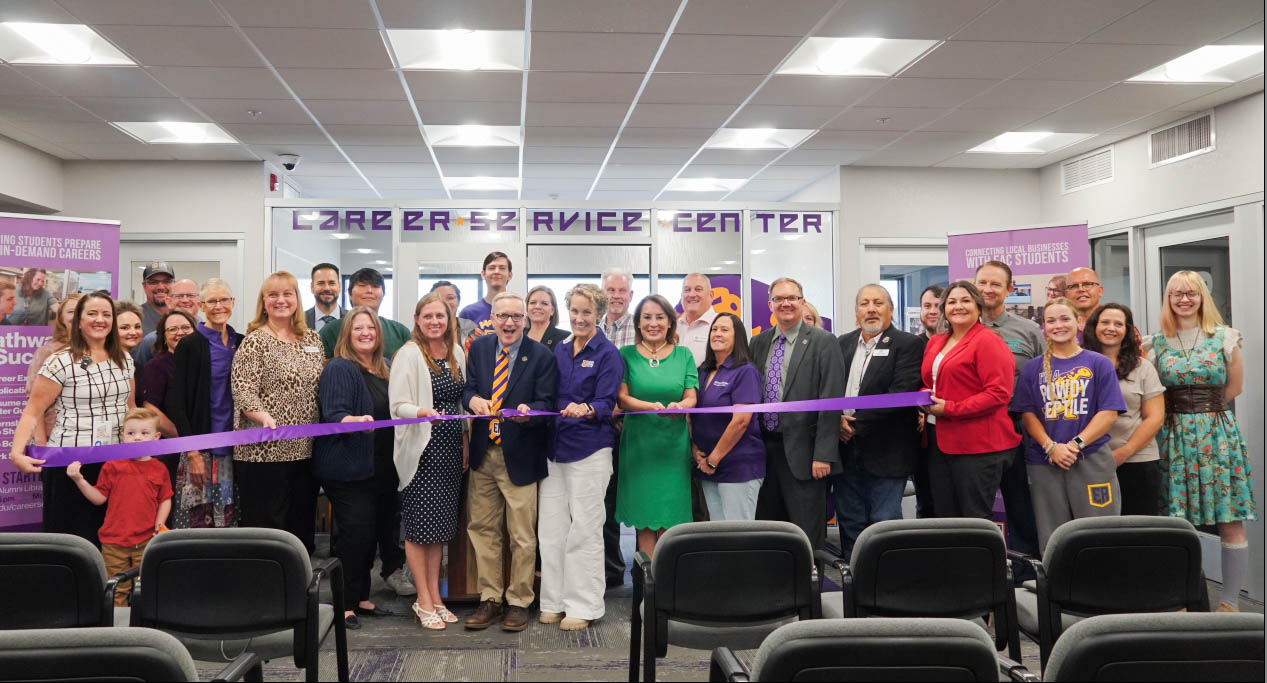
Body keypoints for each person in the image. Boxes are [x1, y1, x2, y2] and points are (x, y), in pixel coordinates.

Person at [1145, 270, 1257, 612]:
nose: (1183, 299)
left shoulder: (1225, 337)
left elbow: (1234, 388)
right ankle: (1180, 599)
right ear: (1168, 299)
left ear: (1202, 297)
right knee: (1177, 520)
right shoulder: (1155, 343)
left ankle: (1229, 602)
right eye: (1176, 293)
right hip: (1173, 435)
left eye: (1190, 293)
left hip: (1216, 436)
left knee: (1229, 517)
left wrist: (1203, 414)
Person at [9, 291, 136, 546]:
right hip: (71, 464)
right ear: (78, 321)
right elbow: (33, 411)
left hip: (114, 464)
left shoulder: (124, 359)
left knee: (110, 541)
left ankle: (108, 588)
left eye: (106, 314)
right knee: (71, 543)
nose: (100, 319)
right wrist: (16, 452)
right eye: (92, 313)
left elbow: (130, 407)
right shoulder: (61, 361)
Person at [463, 292, 557, 632]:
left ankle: (519, 601)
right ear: (492, 318)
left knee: (521, 535)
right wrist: (473, 399)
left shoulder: (542, 356)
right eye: (503, 316)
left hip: (520, 456)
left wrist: (529, 415)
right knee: (483, 530)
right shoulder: (480, 349)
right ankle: (490, 599)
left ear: (526, 320)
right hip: (483, 454)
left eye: (516, 316)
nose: (509, 323)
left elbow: (547, 402)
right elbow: (468, 388)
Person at [540, 284, 623, 631]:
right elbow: (545, 393)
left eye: (587, 312)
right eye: (574, 311)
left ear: (600, 314)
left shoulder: (607, 353)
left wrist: (587, 408)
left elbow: (607, 403)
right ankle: (553, 601)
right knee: (551, 530)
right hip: (554, 450)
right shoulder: (557, 349)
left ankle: (585, 606)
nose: (579, 318)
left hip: (589, 450)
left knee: (585, 531)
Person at [1016, 297, 1125, 553]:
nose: (1058, 325)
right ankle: (1057, 590)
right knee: (1052, 535)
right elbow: (1028, 415)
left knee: (1099, 531)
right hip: (1045, 461)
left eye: (1065, 318)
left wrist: (1075, 445)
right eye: (1050, 321)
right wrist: (1051, 447)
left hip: (1091, 459)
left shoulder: (1099, 363)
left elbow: (1108, 413)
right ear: (1043, 327)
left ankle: (1098, 590)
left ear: (1079, 322)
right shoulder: (1032, 369)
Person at [230, 271, 324, 553]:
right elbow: (243, 390)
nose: (281, 300)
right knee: (268, 532)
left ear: (297, 299)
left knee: (300, 529)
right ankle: (265, 591)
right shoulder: (255, 341)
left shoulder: (313, 340)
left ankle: (297, 591)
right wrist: (263, 417)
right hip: (263, 452)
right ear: (264, 301)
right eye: (273, 295)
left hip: (305, 450)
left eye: (287, 294)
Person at [390, 291, 467, 631]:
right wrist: (422, 412)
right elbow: (397, 406)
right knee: (419, 530)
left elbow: (462, 406)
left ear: (450, 321)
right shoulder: (408, 354)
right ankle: (422, 600)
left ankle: (436, 595)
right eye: (429, 316)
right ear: (418, 321)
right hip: (422, 450)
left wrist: (464, 441)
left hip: (450, 450)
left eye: (441, 316)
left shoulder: (456, 353)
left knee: (439, 531)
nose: (435, 322)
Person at [314, 306, 395, 629]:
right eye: (358, 328)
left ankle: (361, 596)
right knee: (354, 535)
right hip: (347, 469)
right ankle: (343, 603)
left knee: (372, 533)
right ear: (347, 333)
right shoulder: (340, 368)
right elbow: (334, 413)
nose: (365, 333)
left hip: (379, 467)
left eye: (371, 328)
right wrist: (354, 422)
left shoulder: (384, 369)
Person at [750, 278, 845, 550]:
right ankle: (776, 587)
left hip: (806, 455)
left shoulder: (823, 342)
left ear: (802, 302)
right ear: (770, 305)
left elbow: (831, 400)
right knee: (770, 530)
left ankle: (807, 589)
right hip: (765, 451)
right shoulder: (758, 342)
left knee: (806, 534)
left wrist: (824, 454)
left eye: (792, 298)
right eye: (779, 299)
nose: (786, 303)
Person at [832, 285, 925, 555]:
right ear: (856, 311)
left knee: (883, 525)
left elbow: (900, 394)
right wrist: (837, 420)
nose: (871, 309)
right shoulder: (843, 343)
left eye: (878, 303)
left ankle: (885, 588)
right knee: (850, 523)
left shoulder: (908, 344)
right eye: (864, 303)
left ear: (890, 310)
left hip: (887, 453)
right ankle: (853, 586)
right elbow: (831, 390)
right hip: (845, 451)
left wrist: (854, 423)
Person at [920, 281, 1019, 521]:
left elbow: (998, 393)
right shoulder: (936, 342)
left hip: (978, 447)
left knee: (973, 520)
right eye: (952, 302)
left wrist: (950, 408)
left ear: (978, 306)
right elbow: (931, 381)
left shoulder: (988, 341)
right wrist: (924, 396)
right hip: (939, 442)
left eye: (965, 301)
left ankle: (980, 561)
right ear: (944, 309)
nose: (958, 307)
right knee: (946, 519)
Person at [616, 294, 698, 557]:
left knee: (670, 521)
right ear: (638, 324)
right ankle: (648, 592)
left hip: (673, 446)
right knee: (644, 520)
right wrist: (649, 406)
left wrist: (680, 407)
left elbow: (691, 397)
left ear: (670, 322)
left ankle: (668, 588)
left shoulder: (684, 355)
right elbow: (622, 397)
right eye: (647, 317)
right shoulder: (625, 354)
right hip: (639, 445)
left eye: (660, 317)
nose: (653, 323)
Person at [66, 408, 172, 605]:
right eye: (131, 433)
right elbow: (99, 498)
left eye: (144, 433)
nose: (137, 438)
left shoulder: (160, 468)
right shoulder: (112, 466)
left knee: (147, 589)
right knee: (116, 592)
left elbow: (165, 498)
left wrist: (160, 524)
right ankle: (117, 632)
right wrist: (79, 479)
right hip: (114, 543)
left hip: (147, 541)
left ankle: (144, 630)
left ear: (157, 437)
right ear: (122, 436)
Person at [975, 261, 1043, 562]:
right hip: (972, 430)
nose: (987, 289)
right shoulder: (957, 327)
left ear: (1009, 290)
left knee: (1021, 505)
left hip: (1018, 428)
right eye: (982, 283)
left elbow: (1046, 377)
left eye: (995, 284)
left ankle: (1025, 575)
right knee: (976, 507)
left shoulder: (1028, 330)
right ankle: (983, 571)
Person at [166, 278, 242, 529]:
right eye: (211, 301)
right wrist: (193, 452)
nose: (218, 306)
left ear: (233, 303)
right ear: (200, 305)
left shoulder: (241, 342)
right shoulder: (190, 344)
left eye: (224, 300)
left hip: (235, 449)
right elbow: (177, 402)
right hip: (201, 449)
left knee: (230, 518)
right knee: (197, 521)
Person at [1083, 304, 1165, 516]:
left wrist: (1123, 453)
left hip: (1137, 461)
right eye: (1105, 322)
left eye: (1118, 324)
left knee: (1139, 533)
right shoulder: (1077, 366)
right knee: (1097, 531)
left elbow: (1155, 418)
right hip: (1088, 463)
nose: (1111, 328)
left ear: (1127, 331)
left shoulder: (1143, 367)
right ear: (1094, 327)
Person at [691, 312, 766, 521]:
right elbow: (692, 415)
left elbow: (741, 421)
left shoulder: (745, 372)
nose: (717, 334)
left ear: (738, 337)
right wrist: (695, 450)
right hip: (707, 466)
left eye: (724, 330)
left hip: (738, 467)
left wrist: (713, 460)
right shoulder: (702, 371)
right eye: (714, 329)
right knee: (719, 535)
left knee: (739, 537)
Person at [597, 266, 635, 587]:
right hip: (601, 430)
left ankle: (645, 570)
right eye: (610, 290)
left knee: (637, 498)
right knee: (606, 501)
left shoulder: (641, 328)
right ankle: (611, 570)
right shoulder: (592, 330)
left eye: (621, 291)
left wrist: (620, 410)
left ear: (630, 295)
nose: (616, 296)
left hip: (633, 429)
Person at [136, 310, 196, 490]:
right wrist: (186, 440)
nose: (180, 332)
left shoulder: (204, 363)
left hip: (202, 449)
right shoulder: (156, 366)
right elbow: (151, 409)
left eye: (186, 327)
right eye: (173, 329)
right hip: (170, 452)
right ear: (163, 337)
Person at [319, 268, 411, 361]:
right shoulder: (329, 331)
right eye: (362, 286)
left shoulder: (400, 332)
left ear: (383, 294)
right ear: (350, 294)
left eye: (375, 286)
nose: (369, 290)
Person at [25, 292, 82, 442]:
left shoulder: (99, 351)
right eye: (71, 312)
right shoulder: (48, 352)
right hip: (54, 438)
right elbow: (35, 405)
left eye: (82, 311)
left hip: (89, 439)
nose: (76, 316)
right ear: (62, 318)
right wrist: (41, 443)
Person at [912, 283, 944, 518]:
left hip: (951, 432)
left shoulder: (957, 345)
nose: (932, 311)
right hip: (920, 440)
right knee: (926, 500)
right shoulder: (910, 346)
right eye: (927, 306)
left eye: (938, 306)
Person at [133, 279, 201, 372]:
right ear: (168, 301)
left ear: (199, 301)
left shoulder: (208, 337)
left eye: (190, 295)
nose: (185, 300)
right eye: (179, 296)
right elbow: (140, 379)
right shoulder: (151, 341)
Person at [459, 251, 513, 337]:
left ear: (510, 275)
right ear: (483, 274)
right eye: (492, 268)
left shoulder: (519, 312)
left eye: (502, 268)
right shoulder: (468, 313)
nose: (496, 271)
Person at [677, 273, 717, 367]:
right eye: (687, 290)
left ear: (711, 295)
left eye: (698, 289)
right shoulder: (673, 327)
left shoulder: (722, 326)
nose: (691, 294)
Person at [431, 280, 477, 347]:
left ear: (458, 302)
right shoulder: (424, 330)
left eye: (450, 298)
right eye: (439, 298)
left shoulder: (471, 328)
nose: (445, 303)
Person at [306, 262, 346, 333]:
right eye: (321, 283)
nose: (327, 288)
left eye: (332, 283)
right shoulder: (298, 321)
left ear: (339, 287)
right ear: (312, 287)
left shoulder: (352, 319)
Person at [526, 285, 569, 350]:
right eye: (533, 302)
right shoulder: (518, 336)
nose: (537, 306)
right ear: (526, 308)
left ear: (552, 310)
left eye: (544, 303)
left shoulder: (565, 338)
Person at [138, 261, 174, 334]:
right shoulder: (136, 317)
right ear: (144, 286)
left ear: (174, 284)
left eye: (166, 281)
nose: (160, 287)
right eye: (153, 282)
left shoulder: (185, 317)